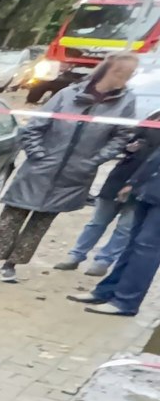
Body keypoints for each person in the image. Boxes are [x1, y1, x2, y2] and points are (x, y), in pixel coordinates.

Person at [0, 51, 140, 282]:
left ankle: (11, 265)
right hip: (40, 168)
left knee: (40, 223)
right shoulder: (68, 94)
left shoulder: (126, 102)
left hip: (75, 174)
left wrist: (94, 160)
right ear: (112, 71)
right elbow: (35, 126)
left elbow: (122, 135)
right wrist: (38, 154)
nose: (127, 79)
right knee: (11, 216)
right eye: (126, 73)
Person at [51, 108, 160, 276]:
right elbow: (125, 142)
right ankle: (76, 255)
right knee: (97, 222)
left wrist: (134, 184)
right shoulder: (146, 124)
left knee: (124, 228)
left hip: (143, 187)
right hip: (117, 180)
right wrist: (129, 148)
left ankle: (103, 261)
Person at [68, 130, 160, 315]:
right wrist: (133, 182)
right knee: (133, 245)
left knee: (146, 249)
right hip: (148, 190)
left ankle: (126, 301)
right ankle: (107, 292)